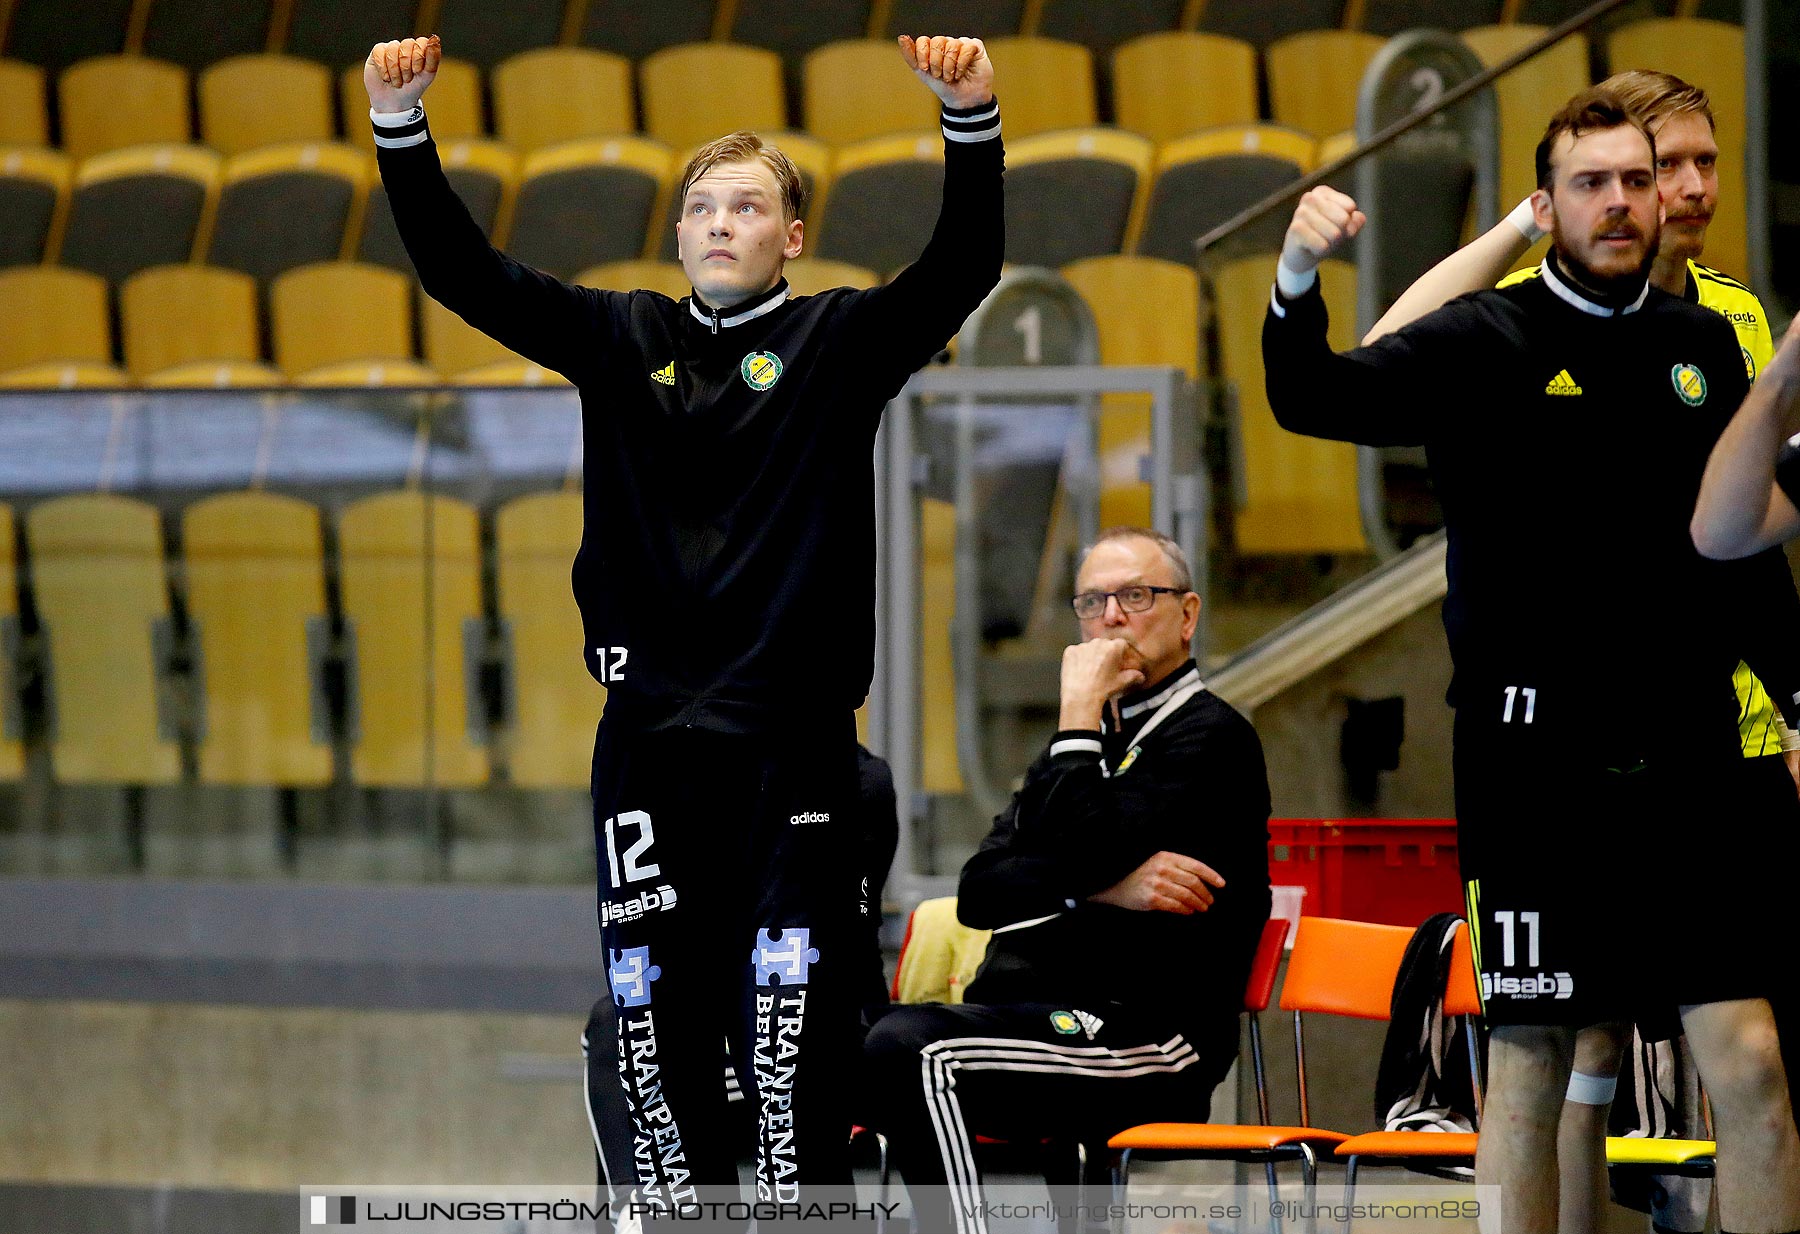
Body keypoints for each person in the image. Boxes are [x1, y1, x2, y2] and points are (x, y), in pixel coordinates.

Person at [362, 30, 1004, 1207]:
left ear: (790, 238)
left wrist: (969, 118)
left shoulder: (837, 343)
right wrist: (401, 130)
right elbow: (466, 275)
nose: (719, 222)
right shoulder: (622, 337)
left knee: (790, 1033)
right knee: (651, 1032)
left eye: (747, 206)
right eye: (702, 205)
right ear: (679, 235)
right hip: (649, 747)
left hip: (792, 749)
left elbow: (962, 269)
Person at [1262, 89, 1800, 1232]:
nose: (1619, 203)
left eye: (1636, 181)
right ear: (1547, 205)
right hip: (1532, 768)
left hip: (1693, 753)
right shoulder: (1481, 339)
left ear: (1664, 202)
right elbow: (1311, 395)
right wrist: (1298, 278)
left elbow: (1741, 554)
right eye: (1591, 184)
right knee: (1533, 1059)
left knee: (1749, 1059)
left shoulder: (1704, 348)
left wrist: (1797, 700)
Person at [860, 527, 1272, 1234]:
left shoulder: (1210, 739)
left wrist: (1076, 721)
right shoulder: (1080, 749)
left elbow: (1088, 840)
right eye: (1092, 602)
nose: (1111, 617)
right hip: (1043, 1023)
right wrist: (1104, 888)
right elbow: (982, 890)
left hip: (1149, 1039)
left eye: (1136, 595)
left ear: (1188, 614)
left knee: (916, 1050)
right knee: (849, 1047)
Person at [583, 746, 901, 1227]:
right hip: (710, 1009)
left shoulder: (852, 774)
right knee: (618, 1024)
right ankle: (645, 1211)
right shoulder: (666, 761)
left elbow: (844, 928)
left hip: (824, 1007)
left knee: (779, 1040)